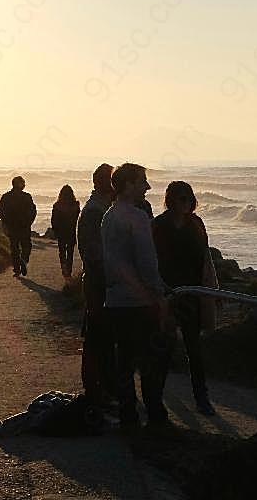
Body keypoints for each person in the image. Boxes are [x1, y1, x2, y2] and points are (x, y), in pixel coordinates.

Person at [100, 163, 170, 428]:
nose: (147, 187)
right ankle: (155, 414)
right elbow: (146, 262)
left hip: (116, 300)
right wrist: (159, 294)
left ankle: (128, 415)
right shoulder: (137, 217)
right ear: (128, 185)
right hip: (139, 302)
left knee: (125, 361)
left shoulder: (108, 215)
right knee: (153, 360)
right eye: (142, 182)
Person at [152, 181, 215, 416]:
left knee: (194, 348)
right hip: (166, 292)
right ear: (171, 200)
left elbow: (206, 259)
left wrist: (211, 289)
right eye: (181, 199)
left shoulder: (196, 224)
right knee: (163, 347)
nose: (186, 203)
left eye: (189, 199)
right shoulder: (158, 225)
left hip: (192, 293)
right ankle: (156, 398)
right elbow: (151, 259)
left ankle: (202, 397)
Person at [78, 164, 115, 414]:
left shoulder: (99, 209)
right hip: (98, 285)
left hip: (100, 283)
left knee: (102, 338)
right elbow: (94, 254)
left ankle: (104, 390)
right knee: (96, 338)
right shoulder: (95, 212)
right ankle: (96, 393)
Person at [0, 176, 37, 277]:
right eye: (23, 183)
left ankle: (17, 268)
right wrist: (29, 222)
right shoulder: (27, 197)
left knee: (14, 248)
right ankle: (23, 260)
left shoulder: (6, 196)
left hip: (12, 226)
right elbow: (33, 211)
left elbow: (0, 212)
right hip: (24, 226)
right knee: (26, 246)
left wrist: (6, 222)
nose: (24, 185)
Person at [50, 185, 81, 292]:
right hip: (72, 231)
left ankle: (64, 269)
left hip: (61, 231)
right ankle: (69, 269)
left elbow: (54, 220)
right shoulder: (75, 205)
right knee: (70, 251)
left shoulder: (57, 205)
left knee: (62, 251)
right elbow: (78, 219)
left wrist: (55, 230)